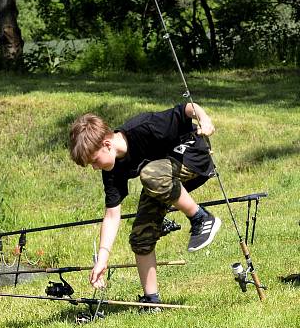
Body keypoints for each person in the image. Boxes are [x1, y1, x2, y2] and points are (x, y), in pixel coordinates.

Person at [68, 103, 221, 306]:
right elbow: (112, 216)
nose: (95, 168)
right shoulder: (112, 171)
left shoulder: (143, 126)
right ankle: (151, 301)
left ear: (106, 144)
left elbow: (186, 108)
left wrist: (204, 119)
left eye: (95, 161)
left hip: (193, 155)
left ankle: (201, 218)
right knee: (141, 237)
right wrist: (102, 259)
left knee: (150, 174)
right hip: (162, 177)